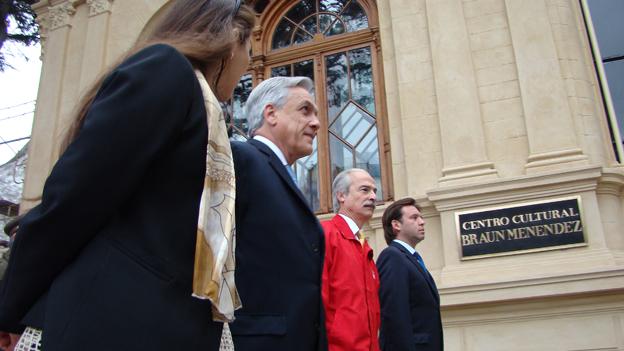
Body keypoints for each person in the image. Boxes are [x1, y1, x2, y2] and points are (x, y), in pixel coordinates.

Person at [0, 1, 255, 350]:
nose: (249, 63)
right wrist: (12, 307)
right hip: (113, 318)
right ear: (231, 38)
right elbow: (75, 198)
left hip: (166, 320)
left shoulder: (201, 104)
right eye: (250, 49)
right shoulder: (165, 70)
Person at [228, 76, 327, 351]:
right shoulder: (242, 158)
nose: (316, 123)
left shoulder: (283, 174)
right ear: (271, 114)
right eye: (305, 110)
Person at [321, 168, 381, 351]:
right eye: (364, 190)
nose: (372, 197)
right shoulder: (326, 235)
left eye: (374, 191)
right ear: (341, 196)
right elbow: (316, 302)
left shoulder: (363, 246)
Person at [377, 198, 443, 351]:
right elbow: (394, 315)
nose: (422, 222)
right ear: (396, 225)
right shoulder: (392, 257)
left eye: (421, 217)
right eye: (414, 218)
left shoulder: (411, 258)